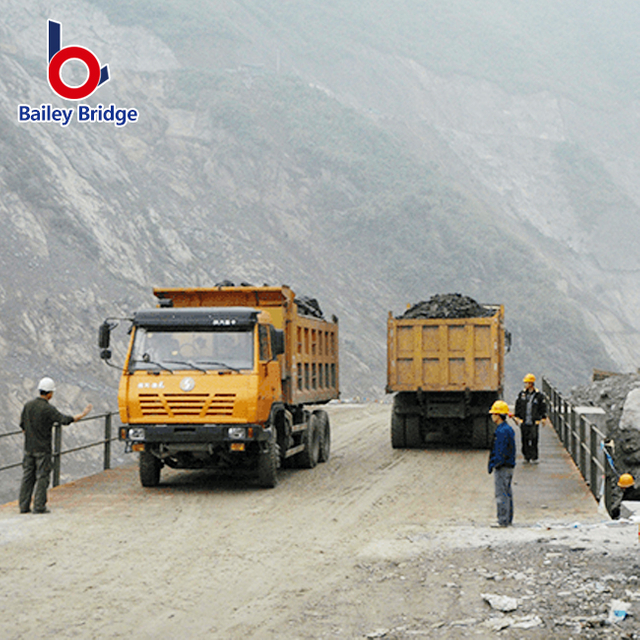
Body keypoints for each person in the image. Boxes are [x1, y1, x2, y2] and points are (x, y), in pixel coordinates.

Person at [18, 377, 92, 514]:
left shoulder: (28, 405)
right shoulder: (48, 409)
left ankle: (23, 506)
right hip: (43, 449)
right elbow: (65, 420)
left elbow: (23, 426)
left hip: (28, 449)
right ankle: (39, 506)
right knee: (42, 477)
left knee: (27, 477)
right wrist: (83, 414)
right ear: (50, 394)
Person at [488, 400, 516, 527]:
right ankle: (508, 519)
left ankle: (503, 520)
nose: (492, 416)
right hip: (509, 465)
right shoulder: (508, 429)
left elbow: (500, 450)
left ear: (498, 415)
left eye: (494, 414)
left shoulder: (501, 431)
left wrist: (495, 464)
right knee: (507, 493)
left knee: (501, 494)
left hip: (503, 466)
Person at [514, 373, 547, 463]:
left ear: (531, 384)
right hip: (524, 420)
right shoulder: (522, 395)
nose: (525, 385)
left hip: (534, 421)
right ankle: (526, 456)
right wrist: (517, 417)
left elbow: (542, 407)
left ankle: (534, 457)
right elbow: (518, 406)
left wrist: (543, 418)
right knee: (524, 439)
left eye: (527, 383)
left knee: (534, 438)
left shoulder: (538, 396)